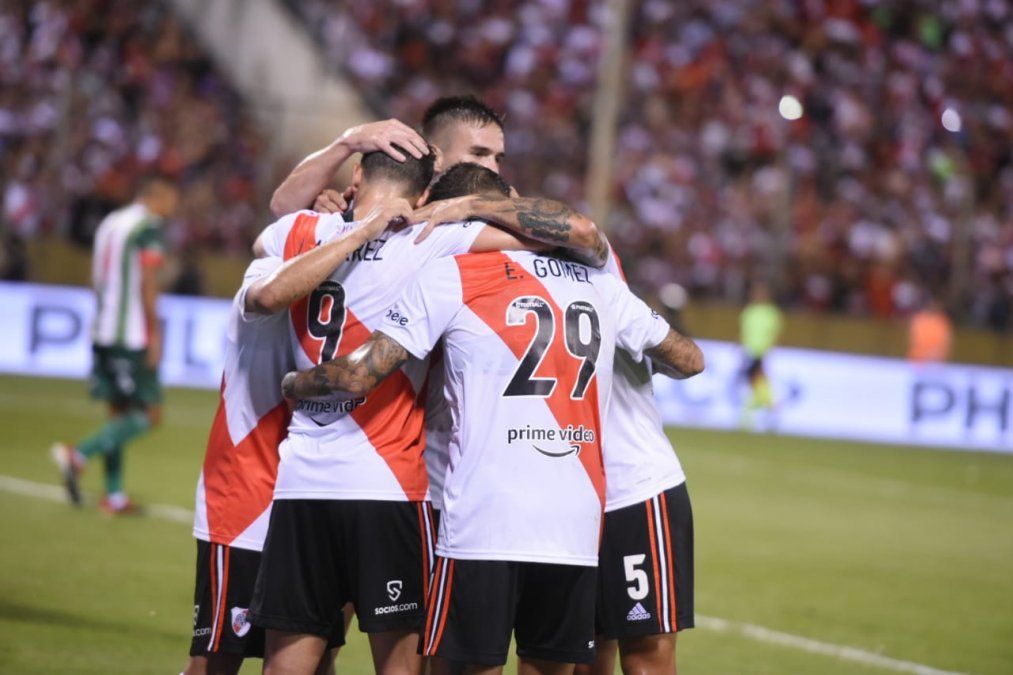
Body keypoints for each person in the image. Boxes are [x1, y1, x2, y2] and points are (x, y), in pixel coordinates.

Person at [249, 146, 604, 675]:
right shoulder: (432, 237)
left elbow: (270, 261)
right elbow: (576, 234)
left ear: (358, 175)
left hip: (302, 480)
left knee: (289, 663)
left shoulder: (296, 230)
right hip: (389, 483)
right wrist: (466, 208)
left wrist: (346, 214)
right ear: (422, 196)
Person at [279, 247, 703, 674]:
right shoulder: (592, 286)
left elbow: (361, 372)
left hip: (622, 490)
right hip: (569, 504)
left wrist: (296, 381)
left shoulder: (586, 265)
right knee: (585, 654)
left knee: (618, 652)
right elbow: (689, 359)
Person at [184, 203, 407, 675]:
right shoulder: (270, 272)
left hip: (312, 489)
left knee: (317, 651)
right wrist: (356, 220)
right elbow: (276, 240)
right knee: (215, 660)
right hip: (246, 493)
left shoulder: (372, 282)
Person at [51, 176, 178, 514]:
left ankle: (114, 496)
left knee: (118, 414)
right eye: (170, 203)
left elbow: (97, 277)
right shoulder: (147, 226)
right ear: (158, 197)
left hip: (103, 328)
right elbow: (147, 282)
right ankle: (77, 455)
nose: (171, 211)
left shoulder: (111, 222)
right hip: (130, 334)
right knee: (150, 413)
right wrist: (154, 334)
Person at [739, 281, 783, 429]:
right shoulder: (749, 311)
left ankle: (763, 410)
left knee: (756, 381)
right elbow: (744, 332)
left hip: (762, 352)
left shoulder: (771, 313)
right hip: (749, 351)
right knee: (757, 382)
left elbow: (774, 333)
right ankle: (769, 408)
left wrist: (769, 350)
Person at [907, 297, 952, 363]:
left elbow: (946, 342)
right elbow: (915, 339)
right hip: (917, 360)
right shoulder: (919, 319)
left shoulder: (942, 321)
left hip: (935, 361)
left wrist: (937, 354)